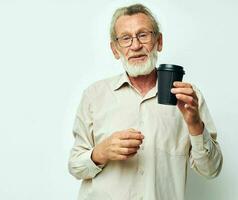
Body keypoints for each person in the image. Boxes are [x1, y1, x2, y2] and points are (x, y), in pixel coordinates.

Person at [68, 3, 223, 200]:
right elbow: (75, 166)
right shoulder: (94, 95)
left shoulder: (188, 98)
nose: (135, 46)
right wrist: (101, 152)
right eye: (125, 38)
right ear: (115, 50)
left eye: (143, 35)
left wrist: (194, 124)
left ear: (159, 41)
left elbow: (211, 170)